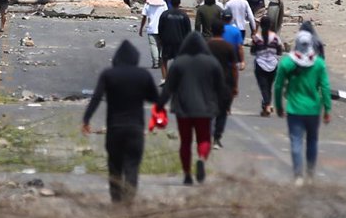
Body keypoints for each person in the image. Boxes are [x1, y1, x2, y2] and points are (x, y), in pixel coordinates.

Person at [81, 41, 160, 203]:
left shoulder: (108, 74)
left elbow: (96, 98)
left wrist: (86, 119)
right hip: (135, 129)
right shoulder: (143, 75)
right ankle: (129, 202)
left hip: (114, 128)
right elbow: (155, 99)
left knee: (115, 167)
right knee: (132, 167)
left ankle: (116, 201)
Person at [162, 33, 229, 185]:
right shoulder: (212, 63)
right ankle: (201, 158)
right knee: (204, 138)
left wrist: (159, 105)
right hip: (205, 108)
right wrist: (223, 105)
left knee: (185, 142)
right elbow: (221, 88)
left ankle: (187, 174)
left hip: (183, 108)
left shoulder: (178, 63)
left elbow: (168, 88)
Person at [273, 30, 332, 185]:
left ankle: (298, 175)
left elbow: (278, 87)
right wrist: (327, 109)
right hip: (313, 109)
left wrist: (279, 106)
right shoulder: (319, 64)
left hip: (294, 109)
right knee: (312, 141)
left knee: (296, 141)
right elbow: (325, 87)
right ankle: (311, 174)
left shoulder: (286, 63)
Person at [207, 20, 241, 148]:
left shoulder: (206, 45)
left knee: (209, 111)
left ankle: (208, 135)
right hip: (225, 83)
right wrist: (235, 85)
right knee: (222, 111)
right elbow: (233, 67)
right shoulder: (228, 47)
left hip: (209, 82)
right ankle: (217, 137)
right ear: (222, 31)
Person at [252, 16, 282, 116]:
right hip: (273, 65)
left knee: (263, 86)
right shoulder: (275, 37)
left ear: (260, 25)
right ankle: (266, 105)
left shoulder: (257, 37)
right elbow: (279, 51)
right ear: (270, 25)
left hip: (260, 64)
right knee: (268, 86)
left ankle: (267, 105)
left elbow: (252, 51)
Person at [157, 0, 192, 77]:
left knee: (164, 60)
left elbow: (160, 28)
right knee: (179, 61)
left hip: (167, 42)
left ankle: (165, 78)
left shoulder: (165, 14)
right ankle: (178, 79)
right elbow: (188, 30)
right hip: (180, 42)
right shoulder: (184, 15)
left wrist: (160, 40)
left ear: (170, 1)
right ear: (179, 2)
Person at [138, 0, 168, 70]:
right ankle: (161, 60)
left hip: (151, 28)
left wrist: (141, 28)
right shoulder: (163, 4)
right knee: (161, 45)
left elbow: (144, 17)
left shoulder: (147, 5)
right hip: (162, 28)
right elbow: (166, 16)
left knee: (153, 45)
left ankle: (156, 62)